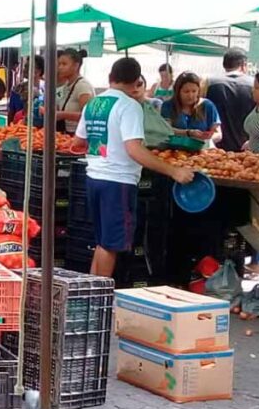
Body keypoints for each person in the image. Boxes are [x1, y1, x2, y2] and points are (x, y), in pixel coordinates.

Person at [72, 57, 194, 278]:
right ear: (137, 81)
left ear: (111, 78)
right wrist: (174, 171)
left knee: (102, 241)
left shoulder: (93, 104)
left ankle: (91, 293)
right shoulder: (129, 106)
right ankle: (102, 299)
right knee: (111, 244)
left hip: (93, 177)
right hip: (117, 181)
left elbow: (78, 142)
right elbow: (134, 149)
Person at [205, 50, 255, 152]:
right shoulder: (254, 85)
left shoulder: (209, 83)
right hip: (246, 148)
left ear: (224, 64)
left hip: (216, 148)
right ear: (243, 65)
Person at [161, 72, 222, 148]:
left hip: (203, 151)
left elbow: (218, 134)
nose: (190, 95)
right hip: (175, 151)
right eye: (186, 92)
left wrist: (205, 139)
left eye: (194, 91)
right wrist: (188, 133)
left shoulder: (208, 105)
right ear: (178, 92)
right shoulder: (168, 106)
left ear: (198, 91)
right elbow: (166, 130)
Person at [52, 48, 94, 134]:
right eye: (59, 64)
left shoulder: (82, 86)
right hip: (67, 134)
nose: (60, 67)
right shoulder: (66, 85)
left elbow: (88, 116)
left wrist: (62, 115)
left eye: (64, 64)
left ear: (76, 65)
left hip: (80, 135)